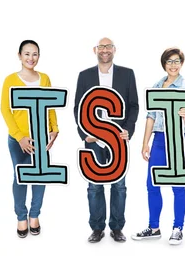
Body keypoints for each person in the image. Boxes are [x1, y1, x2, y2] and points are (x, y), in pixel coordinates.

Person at [73, 37, 139, 243]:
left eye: (108, 46)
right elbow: (77, 107)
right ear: (95, 50)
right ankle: (97, 228)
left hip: (117, 141)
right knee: (94, 187)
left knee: (119, 186)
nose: (105, 50)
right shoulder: (84, 76)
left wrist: (128, 130)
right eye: (101, 47)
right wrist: (85, 133)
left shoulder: (127, 74)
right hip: (93, 140)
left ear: (114, 50)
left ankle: (117, 227)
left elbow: (133, 105)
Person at [131, 47, 185, 245]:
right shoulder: (157, 86)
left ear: (182, 63)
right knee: (152, 184)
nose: (173, 65)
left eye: (177, 61)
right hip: (159, 140)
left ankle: (178, 228)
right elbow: (150, 117)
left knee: (178, 184)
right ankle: (154, 227)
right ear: (164, 64)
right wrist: (145, 143)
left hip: (179, 139)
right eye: (169, 61)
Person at [1, 40, 60, 238]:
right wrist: (20, 137)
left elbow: (50, 105)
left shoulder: (45, 79)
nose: (30, 58)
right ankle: (21, 216)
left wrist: (54, 128)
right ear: (19, 56)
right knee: (20, 178)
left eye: (35, 54)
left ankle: (35, 215)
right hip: (18, 140)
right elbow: (5, 109)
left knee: (39, 176)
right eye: (27, 54)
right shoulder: (10, 79)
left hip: (41, 137)